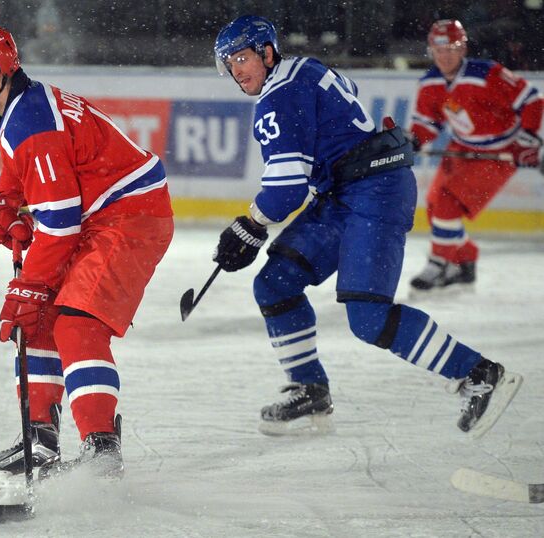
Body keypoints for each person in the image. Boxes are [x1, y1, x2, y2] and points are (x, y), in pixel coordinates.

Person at [211, 15, 522, 438]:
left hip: (372, 192)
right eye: (229, 64)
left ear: (267, 52)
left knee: (369, 318)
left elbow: (285, 191)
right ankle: (310, 390)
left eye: (243, 59)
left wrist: (248, 225)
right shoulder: (305, 68)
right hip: (349, 190)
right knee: (276, 281)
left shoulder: (279, 95)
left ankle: (480, 374)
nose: (237, 71)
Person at [0, 23, 173, 484]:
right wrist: (6, 201)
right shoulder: (11, 110)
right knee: (41, 318)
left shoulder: (32, 124)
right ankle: (40, 441)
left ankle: (102, 451)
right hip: (103, 214)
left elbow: (60, 222)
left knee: (75, 322)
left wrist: (27, 285)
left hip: (130, 216)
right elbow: (22, 170)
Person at [408, 19, 543, 295]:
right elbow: (426, 125)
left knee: (447, 203)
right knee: (436, 205)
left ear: (463, 48)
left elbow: (532, 100)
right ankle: (464, 263)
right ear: (431, 50)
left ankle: (439, 263)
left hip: (498, 153)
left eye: (453, 48)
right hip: (461, 149)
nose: (445, 56)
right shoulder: (430, 83)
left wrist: (528, 137)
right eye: (439, 49)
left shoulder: (488, 74)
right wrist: (412, 142)